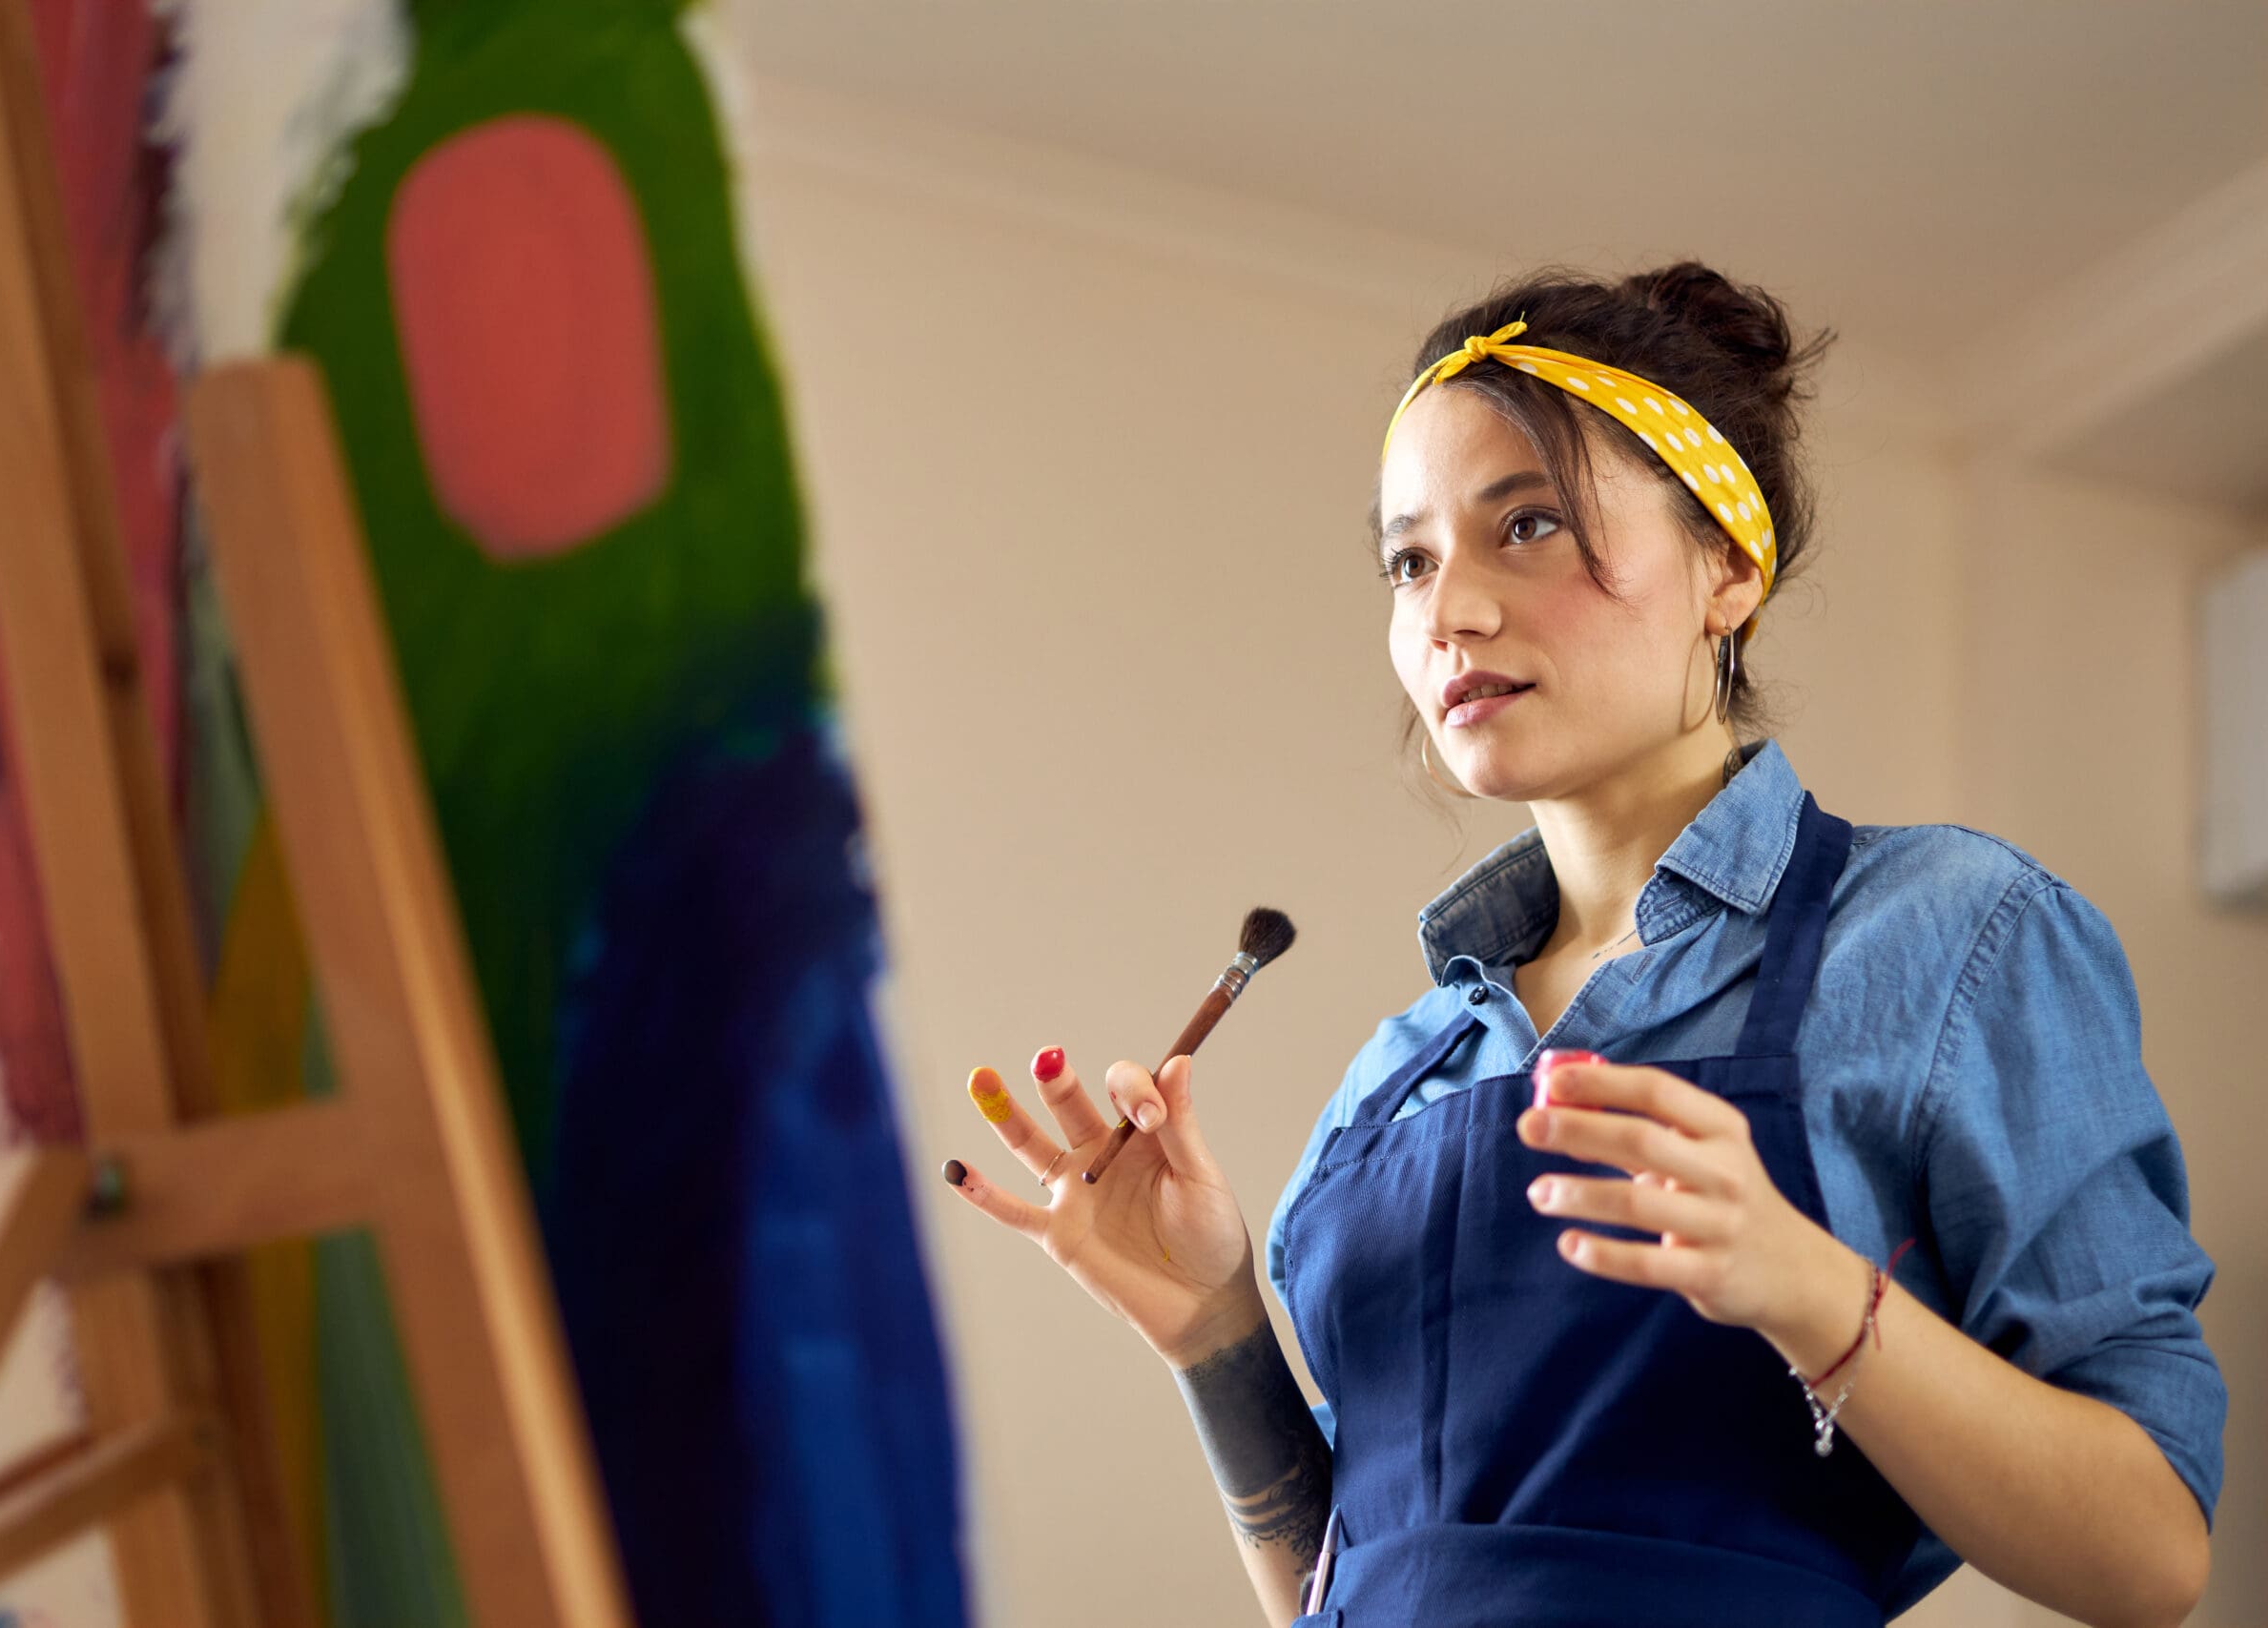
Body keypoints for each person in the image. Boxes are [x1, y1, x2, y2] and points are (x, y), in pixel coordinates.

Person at [939, 262, 2225, 1627]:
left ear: (1729, 566)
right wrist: (1212, 1333)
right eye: (1410, 559)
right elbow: (1356, 1586)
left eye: (1531, 525)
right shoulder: (1398, 1076)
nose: (1449, 613)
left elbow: (2151, 1559)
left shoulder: (1951, 937)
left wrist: (1805, 1288)